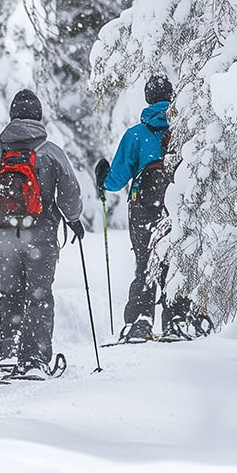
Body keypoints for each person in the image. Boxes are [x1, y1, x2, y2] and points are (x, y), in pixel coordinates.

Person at [0, 89, 85, 377]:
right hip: (42, 237)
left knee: (9, 293)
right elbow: (70, 192)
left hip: (6, 236)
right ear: (39, 116)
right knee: (39, 295)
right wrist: (73, 219)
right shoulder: (50, 152)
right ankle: (34, 358)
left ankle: (9, 351)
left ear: (12, 115)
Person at [95, 74, 176, 341]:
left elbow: (116, 180)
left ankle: (140, 322)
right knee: (177, 261)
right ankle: (180, 318)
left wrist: (103, 179)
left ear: (148, 99)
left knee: (145, 262)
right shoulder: (185, 131)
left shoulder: (136, 135)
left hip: (145, 208)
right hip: (177, 206)